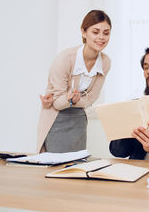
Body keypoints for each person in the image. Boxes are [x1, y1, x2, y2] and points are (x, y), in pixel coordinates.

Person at [36, 10, 112, 153]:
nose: (101, 37)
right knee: (55, 167)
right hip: (56, 119)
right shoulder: (65, 59)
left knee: (77, 166)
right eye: (95, 32)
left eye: (106, 33)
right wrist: (69, 99)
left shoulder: (106, 62)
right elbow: (57, 103)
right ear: (83, 32)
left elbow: (92, 98)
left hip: (79, 118)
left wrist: (74, 101)